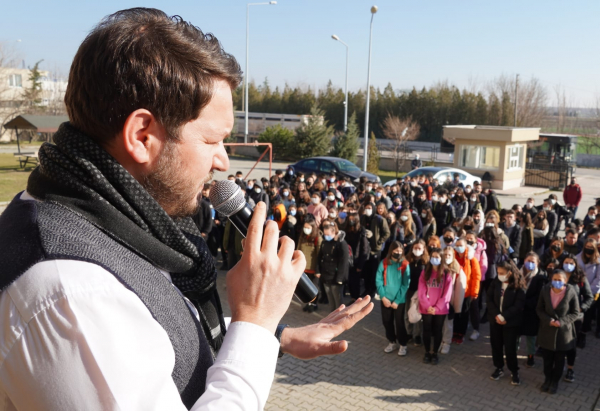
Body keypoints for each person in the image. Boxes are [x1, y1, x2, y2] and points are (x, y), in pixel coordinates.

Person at [0, 8, 375, 409]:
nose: (223, 162)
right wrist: (256, 321)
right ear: (142, 136)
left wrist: (270, 336)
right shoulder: (74, 295)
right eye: (213, 140)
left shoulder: (104, 220)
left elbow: (150, 333)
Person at [536, 269, 581, 394]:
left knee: (559, 360)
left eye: (559, 280)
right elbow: (539, 309)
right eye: (554, 280)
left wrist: (562, 321)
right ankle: (547, 379)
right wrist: (548, 320)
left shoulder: (571, 292)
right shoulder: (545, 290)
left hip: (563, 333)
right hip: (547, 330)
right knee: (547, 359)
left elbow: (575, 313)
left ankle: (555, 381)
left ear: (565, 281)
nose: (556, 282)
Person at [487, 261, 526, 385]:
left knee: (510, 348)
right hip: (495, 321)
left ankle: (514, 371)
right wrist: (497, 315)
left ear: (509, 273)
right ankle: (499, 367)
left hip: (510, 322)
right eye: (498, 273)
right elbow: (489, 299)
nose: (499, 275)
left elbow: (518, 305)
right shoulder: (495, 282)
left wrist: (504, 316)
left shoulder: (519, 286)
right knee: (496, 345)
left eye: (502, 273)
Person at [418, 249, 453, 365]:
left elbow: (447, 294)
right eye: (433, 256)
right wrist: (428, 306)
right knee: (427, 329)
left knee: (438, 330)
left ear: (442, 258)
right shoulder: (425, 272)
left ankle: (435, 353)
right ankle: (427, 352)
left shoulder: (447, 274)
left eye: (437, 257)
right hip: (426, 307)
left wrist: (437, 308)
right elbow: (421, 291)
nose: (435, 259)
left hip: (440, 309)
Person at [376, 242, 411, 356]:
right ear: (391, 251)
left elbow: (406, 284)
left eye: (400, 251)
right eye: (396, 251)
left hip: (399, 301)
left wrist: (397, 300)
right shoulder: (384, 263)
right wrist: (383, 297)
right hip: (386, 298)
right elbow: (379, 280)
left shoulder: (405, 264)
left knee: (399, 323)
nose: (398, 253)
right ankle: (392, 341)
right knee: (386, 321)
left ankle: (403, 344)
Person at [563, 255, 593, 381]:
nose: (568, 265)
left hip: (574, 318)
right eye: (566, 262)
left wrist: (581, 308)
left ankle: (570, 369)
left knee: (571, 344)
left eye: (571, 263)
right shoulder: (557, 276)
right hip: (559, 316)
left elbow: (589, 297)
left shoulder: (580, 278)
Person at [520, 252, 548, 368]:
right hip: (517, 310)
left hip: (531, 311)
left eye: (533, 262)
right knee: (515, 334)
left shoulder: (541, 277)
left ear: (537, 263)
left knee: (530, 336)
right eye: (528, 260)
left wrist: (524, 303)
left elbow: (538, 296)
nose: (530, 264)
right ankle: (511, 352)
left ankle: (530, 356)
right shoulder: (517, 272)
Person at [576, 238, 600, 344]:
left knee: (587, 314)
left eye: (591, 248)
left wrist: (588, 292)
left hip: (591, 293)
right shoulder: (577, 258)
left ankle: (583, 334)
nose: (588, 249)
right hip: (577, 292)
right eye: (587, 247)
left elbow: (599, 280)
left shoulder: (599, 262)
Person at [453, 237, 482, 342]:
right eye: (457, 245)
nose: (459, 248)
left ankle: (461, 333)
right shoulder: (452, 257)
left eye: (461, 245)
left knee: (464, 314)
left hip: (466, 292)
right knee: (455, 313)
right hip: (454, 291)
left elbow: (476, 277)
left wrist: (475, 292)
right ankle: (454, 332)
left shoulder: (471, 259)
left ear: (466, 247)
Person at [318, 222, 350, 313]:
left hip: (336, 277)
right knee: (330, 299)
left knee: (338, 300)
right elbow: (320, 257)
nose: (326, 236)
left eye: (328, 234)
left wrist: (340, 278)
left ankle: (340, 317)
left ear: (334, 232)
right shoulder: (325, 242)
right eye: (325, 234)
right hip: (326, 275)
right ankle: (332, 316)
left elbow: (343, 262)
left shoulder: (341, 243)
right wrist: (319, 271)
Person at [361, 202, 391, 299]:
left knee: (374, 271)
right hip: (365, 248)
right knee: (366, 270)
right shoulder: (363, 218)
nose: (367, 210)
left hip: (375, 249)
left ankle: (373, 290)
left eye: (369, 208)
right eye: (366, 208)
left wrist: (378, 241)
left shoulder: (380, 219)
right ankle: (367, 289)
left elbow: (387, 233)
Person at [298, 214, 323, 312]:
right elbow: (298, 249)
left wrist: (318, 270)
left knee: (314, 287)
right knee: (305, 288)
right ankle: (308, 303)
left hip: (313, 268)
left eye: (308, 228)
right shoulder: (302, 236)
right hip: (304, 267)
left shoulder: (318, 238)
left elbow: (320, 255)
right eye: (304, 227)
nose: (306, 229)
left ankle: (314, 304)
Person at [405, 239, 428, 346]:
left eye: (419, 248)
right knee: (407, 312)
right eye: (415, 248)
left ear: (423, 249)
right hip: (408, 290)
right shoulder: (407, 259)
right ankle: (408, 333)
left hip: (420, 291)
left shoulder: (426, 262)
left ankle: (417, 336)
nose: (417, 250)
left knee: (418, 314)